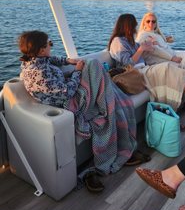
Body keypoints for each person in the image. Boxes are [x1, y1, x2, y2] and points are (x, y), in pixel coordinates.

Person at [18, 30, 150, 193]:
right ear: (40, 50)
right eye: (49, 44)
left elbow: (52, 60)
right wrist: (78, 71)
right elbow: (67, 91)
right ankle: (107, 109)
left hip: (68, 93)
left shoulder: (34, 61)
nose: (51, 46)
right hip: (70, 104)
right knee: (94, 66)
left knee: (94, 67)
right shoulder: (38, 74)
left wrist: (69, 61)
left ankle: (107, 102)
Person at [108, 14, 185, 114]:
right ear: (127, 26)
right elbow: (127, 63)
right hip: (134, 73)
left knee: (171, 71)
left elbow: (143, 50)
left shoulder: (129, 41)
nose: (135, 28)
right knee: (168, 68)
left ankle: (173, 113)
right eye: (133, 25)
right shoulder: (118, 41)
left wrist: (151, 45)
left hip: (143, 69)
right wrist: (141, 49)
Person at [136, 12, 185, 86]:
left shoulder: (155, 34)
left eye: (153, 21)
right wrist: (172, 58)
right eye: (148, 21)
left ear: (156, 23)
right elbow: (155, 50)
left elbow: (158, 44)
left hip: (169, 54)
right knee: (176, 64)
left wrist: (165, 39)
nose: (151, 23)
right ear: (144, 23)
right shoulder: (143, 35)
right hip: (158, 59)